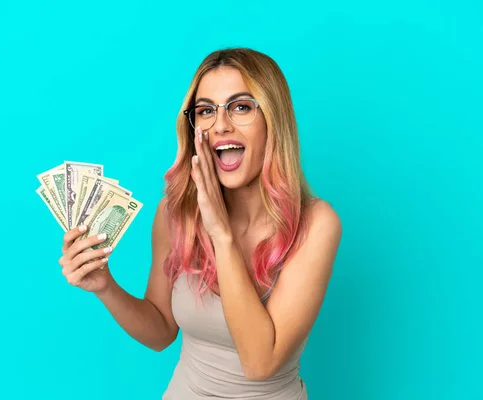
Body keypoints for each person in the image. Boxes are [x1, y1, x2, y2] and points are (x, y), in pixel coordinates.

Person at [58, 47, 343, 399]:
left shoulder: (316, 224)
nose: (220, 124)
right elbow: (161, 330)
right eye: (205, 110)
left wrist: (220, 231)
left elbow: (260, 363)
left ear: (273, 119)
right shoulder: (174, 214)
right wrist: (105, 287)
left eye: (241, 107)